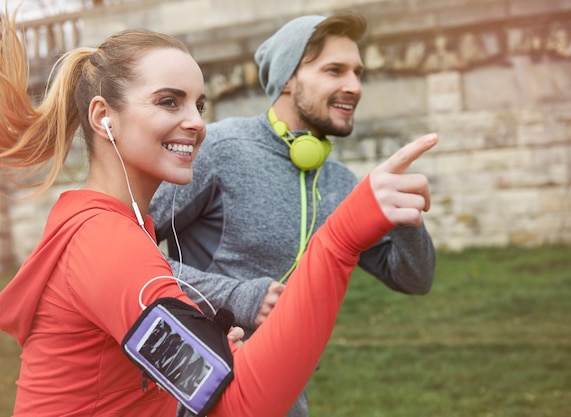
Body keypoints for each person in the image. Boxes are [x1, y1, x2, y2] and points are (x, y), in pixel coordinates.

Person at [0, 7, 437, 417]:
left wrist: (211, 343)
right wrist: (339, 241)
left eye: (199, 103)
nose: (196, 121)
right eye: (168, 101)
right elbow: (242, 407)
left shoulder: (115, 231)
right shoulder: (107, 245)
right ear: (102, 117)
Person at [149, 12, 436, 416]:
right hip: (197, 392)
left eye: (357, 72)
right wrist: (241, 297)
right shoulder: (220, 149)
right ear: (287, 79)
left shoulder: (341, 182)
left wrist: (406, 217)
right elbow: (125, 249)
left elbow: (414, 279)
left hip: (286, 398)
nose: (353, 86)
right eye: (334, 70)